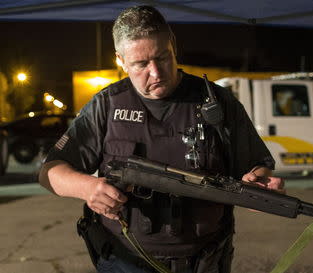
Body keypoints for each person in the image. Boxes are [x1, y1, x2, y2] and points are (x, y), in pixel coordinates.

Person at [39, 5, 284, 273]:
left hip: (206, 260)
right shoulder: (106, 105)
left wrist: (260, 185)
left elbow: (255, 167)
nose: (156, 73)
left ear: (173, 45)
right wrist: (87, 188)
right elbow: (50, 172)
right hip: (126, 261)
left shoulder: (218, 102)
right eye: (141, 64)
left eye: (163, 57)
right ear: (120, 60)